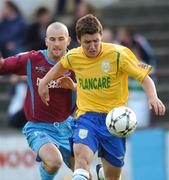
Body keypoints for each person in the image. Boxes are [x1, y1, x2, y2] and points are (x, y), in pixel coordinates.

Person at [38, 14, 166, 180]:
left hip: (115, 121)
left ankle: (102, 175)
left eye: (96, 41)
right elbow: (59, 67)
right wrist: (44, 83)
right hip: (87, 117)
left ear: (101, 36)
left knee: (112, 177)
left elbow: (144, 77)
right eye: (87, 42)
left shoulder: (118, 54)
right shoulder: (74, 56)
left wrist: (153, 97)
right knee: (81, 162)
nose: (92, 46)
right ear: (78, 39)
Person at [0, 22, 76, 180]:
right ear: (46, 40)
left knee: (83, 173)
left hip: (67, 126)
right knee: (54, 161)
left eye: (61, 39)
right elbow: (3, 66)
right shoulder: (32, 59)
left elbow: (90, 88)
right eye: (52, 39)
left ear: (68, 40)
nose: (56, 44)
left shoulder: (77, 62)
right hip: (39, 127)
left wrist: (74, 86)